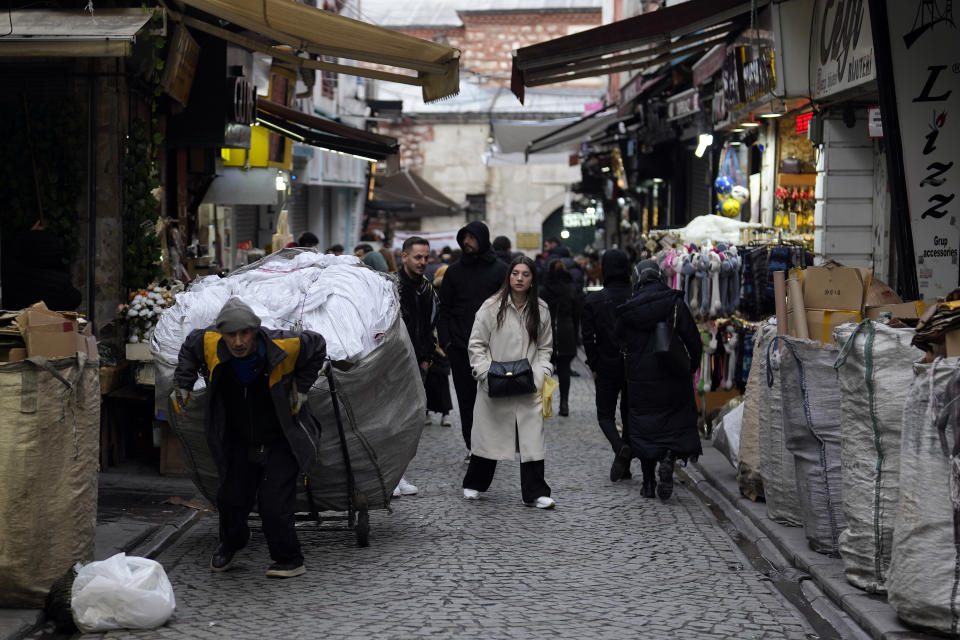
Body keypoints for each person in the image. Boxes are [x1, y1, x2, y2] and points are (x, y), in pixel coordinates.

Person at [174, 298, 326, 577]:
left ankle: (290, 559)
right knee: (231, 499)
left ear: (255, 332)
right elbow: (190, 347)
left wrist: (302, 387)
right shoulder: (209, 342)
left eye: (244, 334)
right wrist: (183, 382)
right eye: (231, 335)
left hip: (282, 436)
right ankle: (233, 542)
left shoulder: (284, 344)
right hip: (240, 438)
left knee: (273, 503)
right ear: (222, 334)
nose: (238, 341)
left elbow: (317, 346)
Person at [462, 256, 555, 508]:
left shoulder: (541, 309)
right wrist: (483, 372)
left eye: (525, 274)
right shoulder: (491, 307)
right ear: (509, 276)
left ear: (532, 278)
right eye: (515, 273)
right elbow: (477, 343)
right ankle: (475, 482)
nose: (520, 278)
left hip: (529, 382)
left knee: (532, 437)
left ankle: (536, 492)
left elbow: (546, 347)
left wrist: (541, 372)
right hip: (494, 379)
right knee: (488, 433)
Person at [615, 260, 702, 500]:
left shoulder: (628, 310)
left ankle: (648, 482)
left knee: (644, 427)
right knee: (672, 423)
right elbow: (694, 341)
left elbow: (618, 341)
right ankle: (668, 458)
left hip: (641, 380)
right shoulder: (674, 303)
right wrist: (690, 367)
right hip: (672, 374)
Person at [437, 221, 508, 459]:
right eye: (464, 238)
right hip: (460, 347)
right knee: (467, 400)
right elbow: (444, 308)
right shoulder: (454, 272)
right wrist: (446, 341)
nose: (467, 242)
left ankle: (491, 443)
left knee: (493, 399)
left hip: (494, 348)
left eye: (472, 238)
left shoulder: (500, 271)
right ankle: (473, 447)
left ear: (483, 238)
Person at [581, 249, 633, 482]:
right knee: (629, 413)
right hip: (633, 363)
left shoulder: (593, 300)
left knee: (605, 416)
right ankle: (626, 461)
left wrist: (593, 363)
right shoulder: (636, 296)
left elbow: (588, 338)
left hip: (606, 364)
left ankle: (619, 447)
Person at [394, 236, 440, 498]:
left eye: (426, 257)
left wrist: (427, 358)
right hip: (394, 363)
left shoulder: (427, 289)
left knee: (410, 423)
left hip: (418, 363)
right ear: (404, 257)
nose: (423, 262)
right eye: (418, 257)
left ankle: (398, 473)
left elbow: (430, 326)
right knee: (391, 421)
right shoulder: (393, 286)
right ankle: (390, 477)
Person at [539, 258, 581, 417]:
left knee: (546, 370)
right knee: (564, 370)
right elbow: (577, 314)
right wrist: (576, 335)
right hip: (566, 331)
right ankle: (564, 404)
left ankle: (546, 404)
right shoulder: (571, 288)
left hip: (546, 333)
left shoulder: (543, 290)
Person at [424, 265, 453, 426]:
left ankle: (438, 413)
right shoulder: (432, 293)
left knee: (436, 379)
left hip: (437, 343)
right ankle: (440, 413)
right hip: (435, 342)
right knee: (434, 379)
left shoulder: (432, 292)